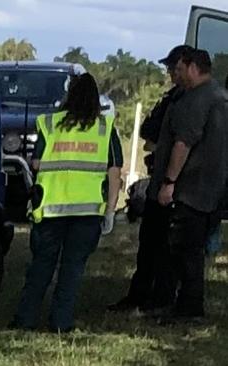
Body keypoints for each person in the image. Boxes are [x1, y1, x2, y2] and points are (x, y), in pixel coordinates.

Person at [11, 73, 123, 332]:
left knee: (41, 267)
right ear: (97, 100)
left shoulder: (50, 124)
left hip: (50, 209)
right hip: (87, 212)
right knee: (72, 270)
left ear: (68, 96)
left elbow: (37, 163)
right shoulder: (105, 129)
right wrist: (110, 211)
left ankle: (25, 320)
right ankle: (61, 323)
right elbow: (114, 172)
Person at [108, 45, 192, 313]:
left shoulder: (191, 99)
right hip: (159, 177)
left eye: (173, 68)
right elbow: (149, 128)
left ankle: (159, 298)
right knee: (149, 243)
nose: (170, 73)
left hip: (174, 182)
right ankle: (141, 294)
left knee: (165, 247)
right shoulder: (173, 97)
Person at [154, 49, 228, 320]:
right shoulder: (220, 96)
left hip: (192, 189)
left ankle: (188, 307)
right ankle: (186, 305)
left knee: (185, 251)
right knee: (193, 250)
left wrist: (169, 182)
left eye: (179, 68)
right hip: (213, 189)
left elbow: (183, 143)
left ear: (193, 66)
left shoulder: (199, 98)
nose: (175, 74)